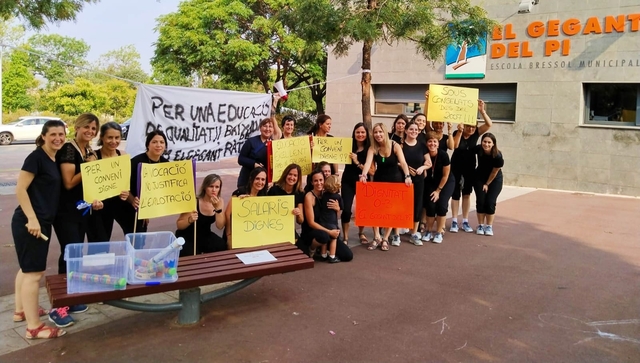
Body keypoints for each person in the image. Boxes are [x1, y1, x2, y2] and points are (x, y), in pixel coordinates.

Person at [13, 120, 67, 339]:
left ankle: (21, 311)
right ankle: (34, 328)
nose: (58, 138)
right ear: (43, 136)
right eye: (53, 134)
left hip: (39, 221)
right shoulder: (36, 157)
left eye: (61, 134)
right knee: (35, 274)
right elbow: (20, 189)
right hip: (30, 222)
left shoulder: (53, 158)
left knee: (26, 269)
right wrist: (32, 219)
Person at [51, 113, 105, 326]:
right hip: (66, 213)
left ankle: (71, 298)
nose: (90, 132)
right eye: (87, 127)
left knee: (77, 254)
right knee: (69, 253)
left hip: (83, 210)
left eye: (94, 129)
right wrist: (89, 167)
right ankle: (59, 307)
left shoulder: (88, 150)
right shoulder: (68, 149)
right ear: (77, 127)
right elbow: (69, 182)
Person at [360, 123, 412, 250]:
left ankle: (385, 239)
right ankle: (376, 236)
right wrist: (363, 175)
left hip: (394, 182)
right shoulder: (373, 148)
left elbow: (404, 163)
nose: (378, 135)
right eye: (376, 132)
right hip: (379, 181)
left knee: (391, 211)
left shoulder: (395, 145)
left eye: (380, 132)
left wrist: (407, 176)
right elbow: (367, 163)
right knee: (375, 210)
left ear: (385, 132)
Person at [449, 100, 492, 233]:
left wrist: (482, 111)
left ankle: (465, 221)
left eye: (473, 127)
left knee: (466, 194)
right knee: (455, 194)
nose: (471, 129)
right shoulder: (458, 132)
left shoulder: (476, 134)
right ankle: (454, 221)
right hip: (456, 167)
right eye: (469, 126)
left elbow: (489, 124)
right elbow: (455, 146)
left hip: (469, 168)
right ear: (464, 125)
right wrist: (460, 132)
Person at [298, 170, 353, 262]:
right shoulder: (309, 196)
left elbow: (335, 216)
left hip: (327, 228)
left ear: (325, 180)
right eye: (316, 181)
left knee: (348, 255)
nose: (319, 183)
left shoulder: (328, 194)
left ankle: (324, 249)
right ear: (311, 182)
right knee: (324, 236)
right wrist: (330, 232)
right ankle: (312, 248)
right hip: (313, 232)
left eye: (321, 180)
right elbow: (311, 223)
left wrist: (337, 209)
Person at [123, 130, 170, 235]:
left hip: (144, 207)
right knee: (134, 236)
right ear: (148, 145)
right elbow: (124, 185)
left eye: (162, 142)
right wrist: (132, 200)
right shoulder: (135, 162)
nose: (158, 145)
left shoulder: (165, 164)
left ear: (165, 146)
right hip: (127, 204)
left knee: (141, 236)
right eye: (154, 142)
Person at [92, 122, 130, 243]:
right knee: (100, 241)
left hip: (120, 201)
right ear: (102, 137)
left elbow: (126, 181)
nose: (114, 141)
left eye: (117, 137)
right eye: (110, 137)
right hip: (101, 204)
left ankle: (133, 260)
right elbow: (90, 184)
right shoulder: (93, 157)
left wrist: (126, 193)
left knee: (135, 231)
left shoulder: (123, 155)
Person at [176, 174, 226, 256]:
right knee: (191, 254)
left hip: (205, 234)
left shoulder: (220, 201)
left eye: (217, 187)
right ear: (205, 187)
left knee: (221, 245)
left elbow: (220, 226)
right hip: (188, 235)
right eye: (211, 186)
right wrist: (189, 220)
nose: (214, 190)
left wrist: (218, 209)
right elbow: (179, 225)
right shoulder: (195, 201)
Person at [341, 122, 371, 245]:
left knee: (362, 210)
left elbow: (372, 170)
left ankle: (361, 232)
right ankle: (346, 236)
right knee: (346, 209)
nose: (360, 134)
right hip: (347, 181)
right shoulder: (348, 146)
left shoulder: (369, 148)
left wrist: (357, 161)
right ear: (354, 133)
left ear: (366, 134)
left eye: (363, 132)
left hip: (363, 182)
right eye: (357, 132)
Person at [402, 121, 432, 246]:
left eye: (416, 130)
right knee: (402, 205)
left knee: (417, 205)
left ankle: (414, 233)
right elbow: (396, 161)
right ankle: (397, 232)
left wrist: (422, 168)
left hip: (419, 180)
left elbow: (428, 162)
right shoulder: (400, 145)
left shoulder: (422, 146)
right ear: (406, 131)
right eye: (411, 129)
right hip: (403, 179)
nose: (414, 132)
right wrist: (406, 169)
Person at [422, 132, 455, 244]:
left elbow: (445, 175)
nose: (432, 144)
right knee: (430, 205)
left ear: (438, 144)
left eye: (434, 141)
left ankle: (439, 231)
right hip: (431, 181)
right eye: (430, 141)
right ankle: (428, 230)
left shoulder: (443, 155)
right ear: (426, 143)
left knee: (441, 205)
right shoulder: (424, 155)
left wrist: (438, 191)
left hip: (446, 182)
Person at [224, 167, 269, 248]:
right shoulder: (239, 193)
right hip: (236, 233)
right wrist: (229, 235)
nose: (260, 182)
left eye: (263, 179)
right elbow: (227, 214)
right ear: (251, 179)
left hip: (252, 234)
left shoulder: (263, 196)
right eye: (257, 178)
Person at [473, 133, 504, 236]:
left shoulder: (498, 156)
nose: (486, 144)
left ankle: (489, 226)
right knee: (481, 201)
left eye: (489, 142)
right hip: (479, 177)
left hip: (494, 179)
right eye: (484, 141)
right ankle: (481, 225)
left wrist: (487, 184)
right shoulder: (478, 149)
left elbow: (494, 172)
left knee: (490, 202)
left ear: (493, 144)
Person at [237, 117, 277, 188]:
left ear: (273, 129)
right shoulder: (251, 141)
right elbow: (241, 159)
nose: (267, 129)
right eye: (265, 126)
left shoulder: (275, 144)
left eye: (270, 126)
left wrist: (272, 180)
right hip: (248, 178)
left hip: (264, 181)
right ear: (260, 128)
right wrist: (253, 164)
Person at [267, 163, 305, 231]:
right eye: (290, 174)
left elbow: (300, 221)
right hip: (272, 227)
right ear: (285, 175)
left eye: (295, 175)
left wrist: (298, 213)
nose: (292, 177)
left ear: (298, 178)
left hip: (288, 230)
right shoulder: (274, 190)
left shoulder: (299, 193)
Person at [314, 175, 342, 262]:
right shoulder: (338, 197)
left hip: (323, 221)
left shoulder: (324, 195)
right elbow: (341, 207)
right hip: (332, 221)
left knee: (325, 239)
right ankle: (332, 256)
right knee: (334, 238)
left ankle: (323, 254)